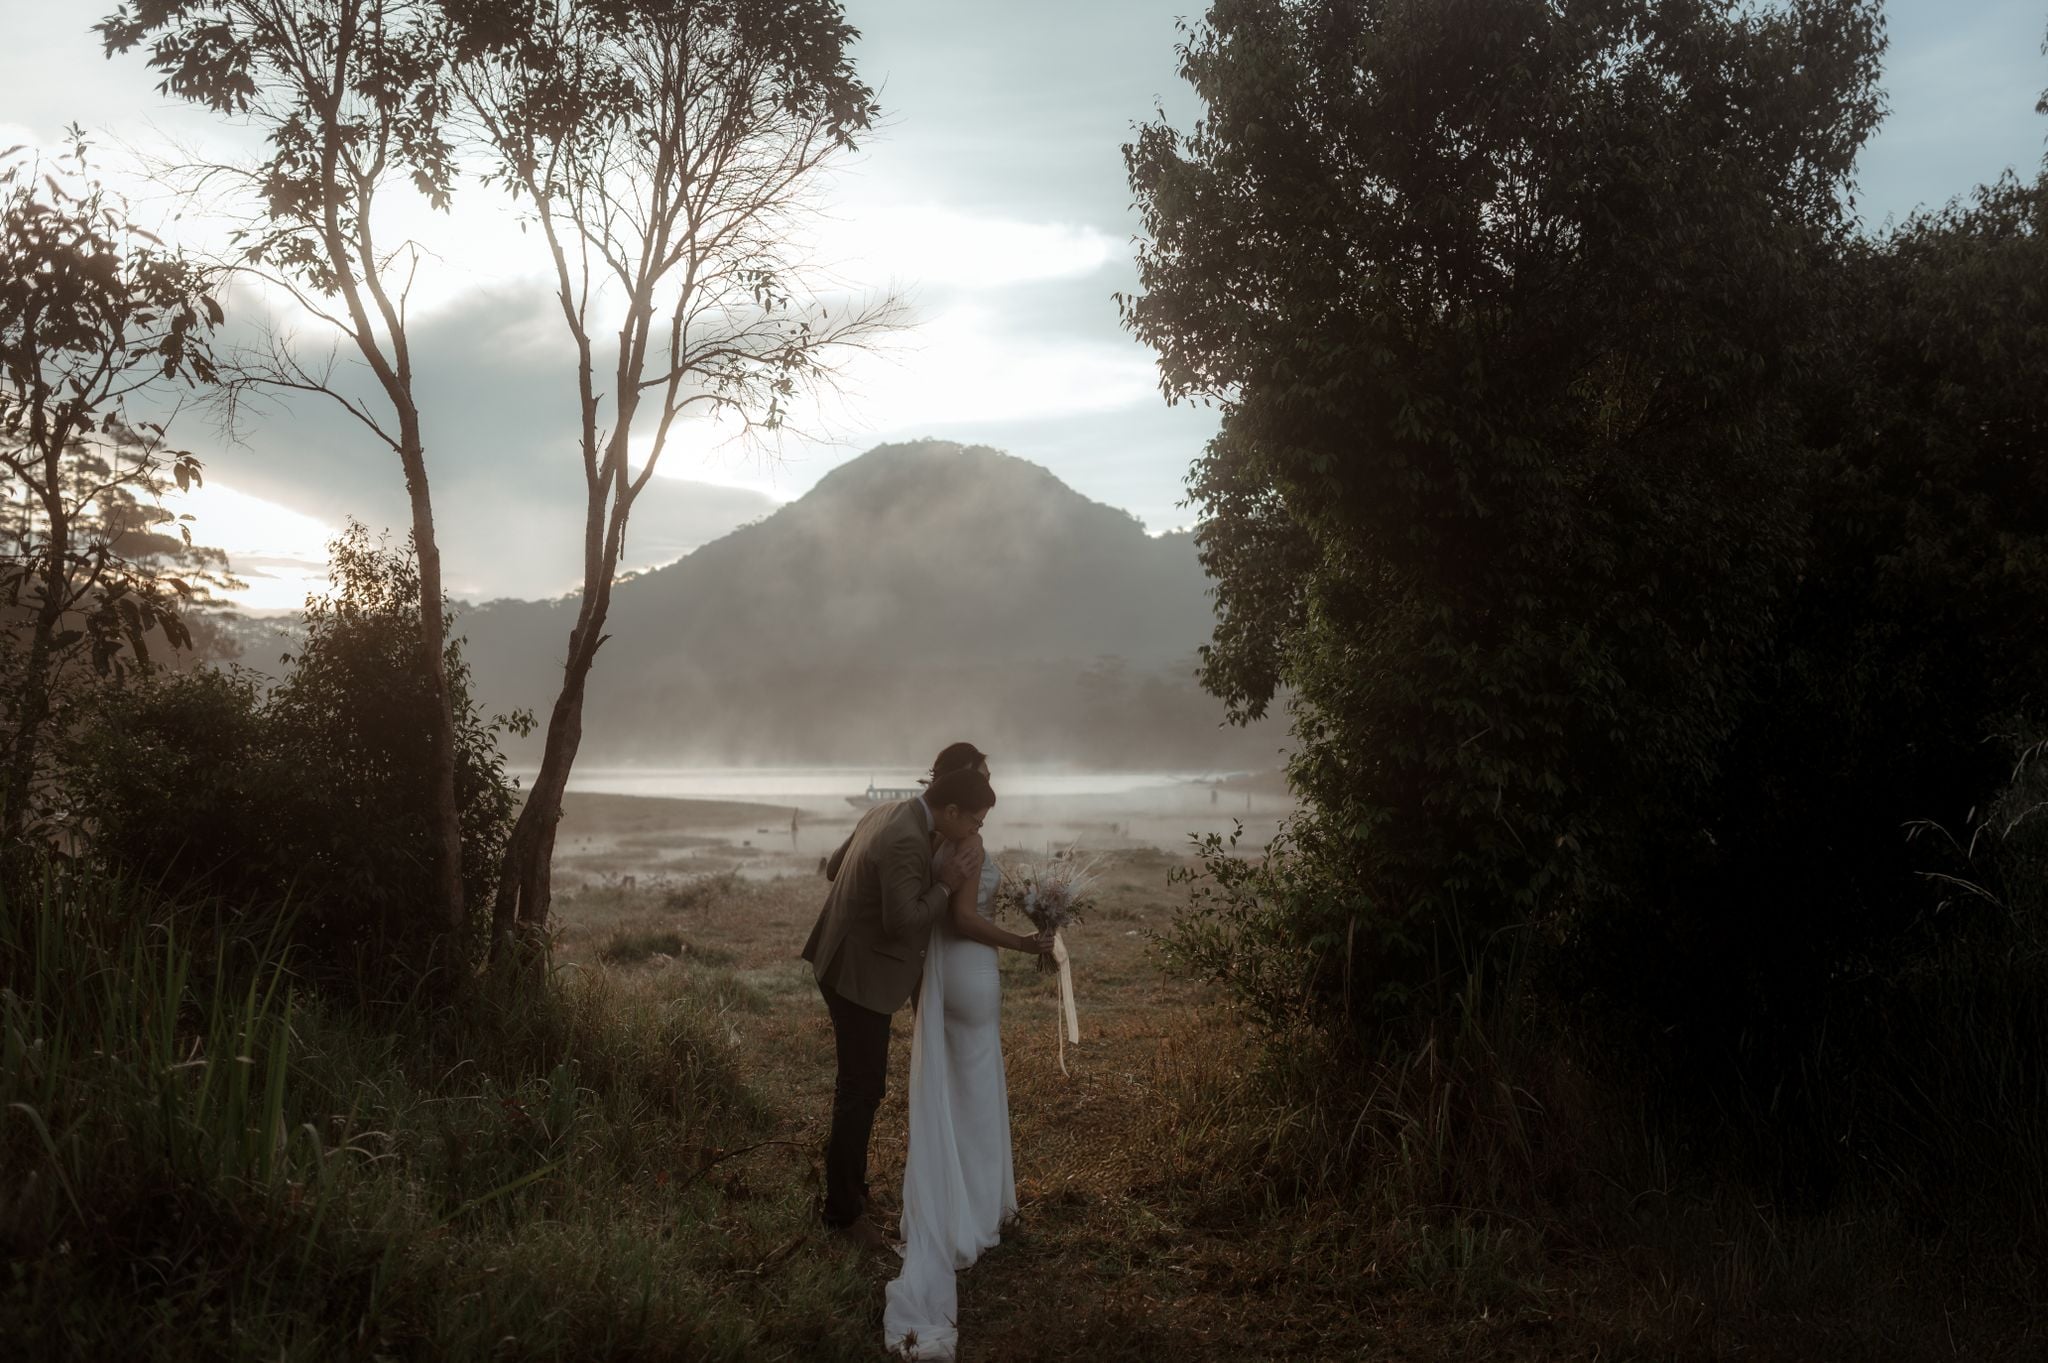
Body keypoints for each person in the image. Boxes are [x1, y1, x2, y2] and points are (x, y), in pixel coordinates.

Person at [883, 768, 1053, 1361]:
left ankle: (961, 1202)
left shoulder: (932, 837)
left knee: (956, 1093)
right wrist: (1024, 941)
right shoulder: (968, 843)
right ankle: (976, 1214)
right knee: (977, 1094)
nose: (983, 820)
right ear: (960, 802)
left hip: (943, 976)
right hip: (971, 972)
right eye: (979, 806)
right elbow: (963, 919)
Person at [803, 766, 988, 1251]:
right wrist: (945, 884)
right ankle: (842, 1215)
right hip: (857, 976)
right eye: (974, 820)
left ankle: (853, 1193)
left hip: (836, 959)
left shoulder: (886, 810)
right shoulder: (907, 838)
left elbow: (834, 867)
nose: (976, 829)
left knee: (859, 1087)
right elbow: (901, 922)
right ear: (951, 811)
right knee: (860, 1091)